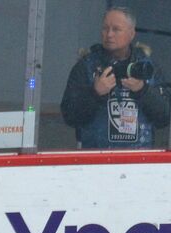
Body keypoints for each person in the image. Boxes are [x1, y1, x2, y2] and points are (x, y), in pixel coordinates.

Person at [60, 6, 168, 150]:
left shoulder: (147, 68)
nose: (109, 34)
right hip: (94, 159)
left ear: (131, 33)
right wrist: (95, 93)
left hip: (140, 162)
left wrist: (143, 90)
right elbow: (70, 117)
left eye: (116, 29)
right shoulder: (86, 67)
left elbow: (164, 118)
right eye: (105, 29)